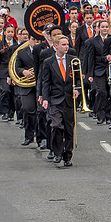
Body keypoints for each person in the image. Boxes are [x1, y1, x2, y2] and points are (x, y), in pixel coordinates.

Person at [40, 34, 79, 167]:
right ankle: (57, 152)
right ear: (55, 46)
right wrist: (45, 98)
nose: (66, 47)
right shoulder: (48, 62)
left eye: (67, 44)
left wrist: (77, 89)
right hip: (55, 99)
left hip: (69, 99)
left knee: (69, 128)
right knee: (56, 125)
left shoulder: (73, 60)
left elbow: (78, 79)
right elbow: (46, 82)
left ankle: (68, 155)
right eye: (63, 44)